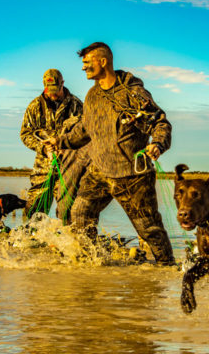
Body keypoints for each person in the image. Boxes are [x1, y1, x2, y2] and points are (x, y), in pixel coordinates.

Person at [48, 42, 175, 265]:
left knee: (150, 231)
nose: (83, 68)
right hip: (99, 172)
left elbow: (160, 123)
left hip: (132, 177)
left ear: (103, 62)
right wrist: (60, 140)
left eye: (87, 63)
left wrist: (157, 144)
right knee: (79, 213)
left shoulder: (132, 93)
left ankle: (168, 269)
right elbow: (84, 130)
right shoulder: (92, 95)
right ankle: (92, 264)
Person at [20, 68, 88, 222]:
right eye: (48, 90)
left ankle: (68, 239)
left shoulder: (77, 105)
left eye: (55, 90)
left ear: (62, 84)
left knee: (70, 206)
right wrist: (43, 148)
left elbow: (86, 134)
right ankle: (32, 238)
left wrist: (68, 147)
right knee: (34, 207)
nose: (52, 94)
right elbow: (25, 134)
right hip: (43, 165)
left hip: (70, 165)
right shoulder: (35, 105)